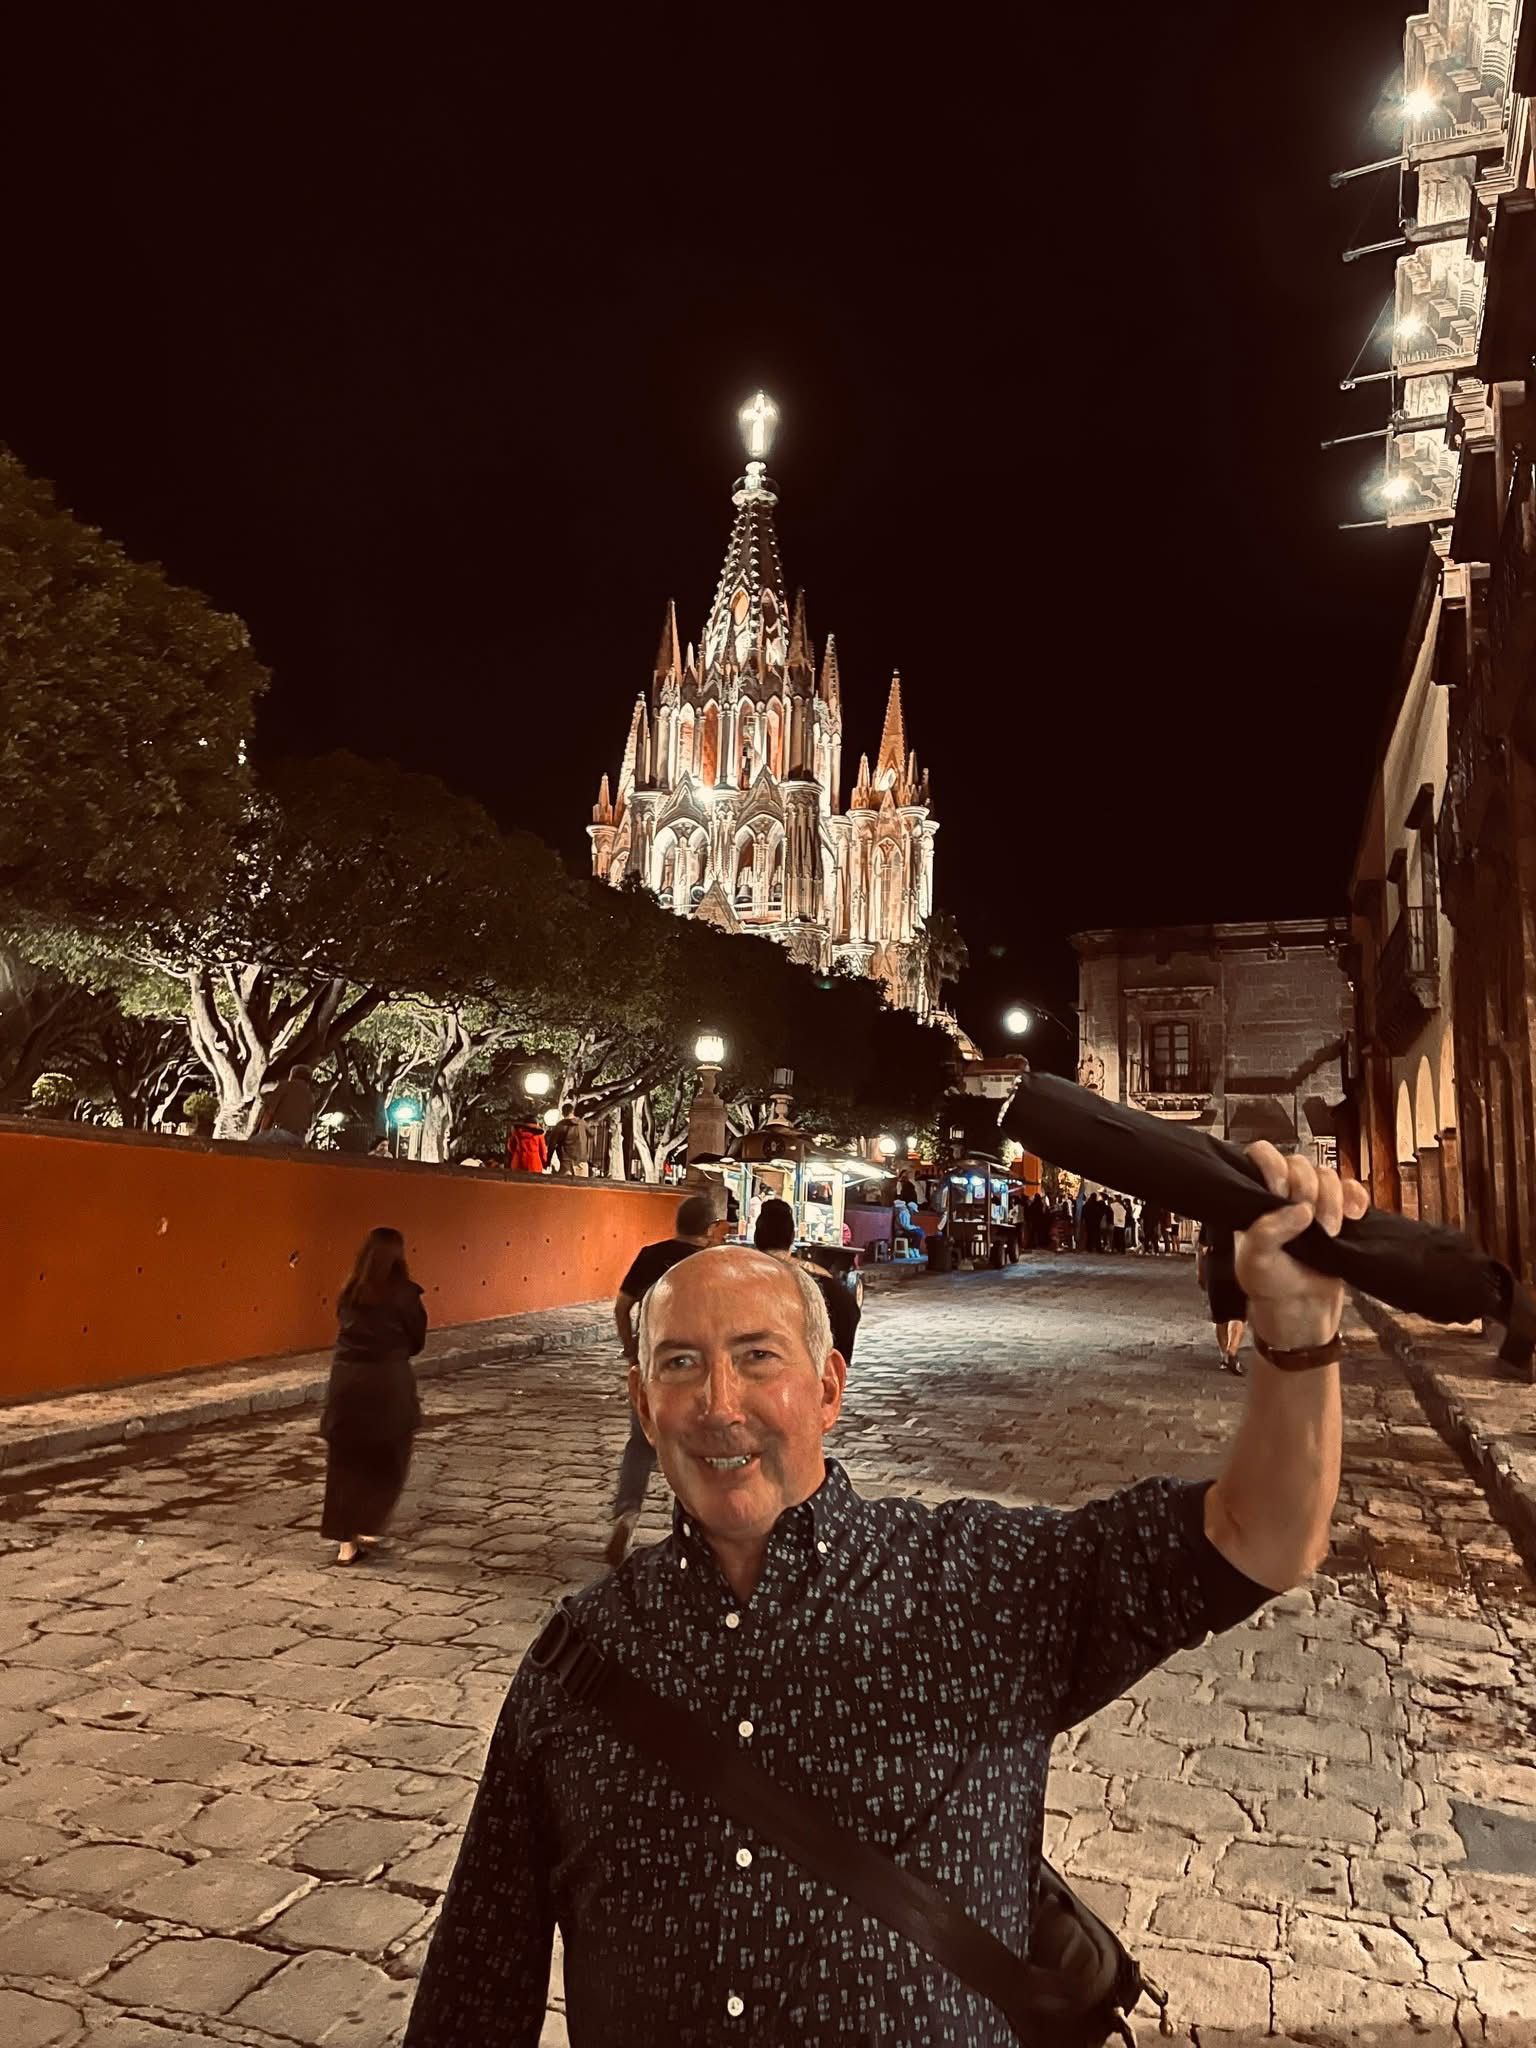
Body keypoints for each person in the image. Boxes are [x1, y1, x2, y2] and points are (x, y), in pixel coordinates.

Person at [403, 1146, 1368, 2046]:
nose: (719, 1404)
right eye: (680, 1363)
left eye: (758, 1356)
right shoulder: (577, 1661)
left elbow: (1259, 1536)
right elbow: (476, 1986)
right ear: (644, 1407)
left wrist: (1297, 1334)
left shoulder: (979, 1584)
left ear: (829, 1389)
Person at [605, 1190, 731, 1566]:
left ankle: (627, 1514)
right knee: (700, 1447)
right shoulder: (712, 1262)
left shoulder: (651, 1255)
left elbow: (621, 1306)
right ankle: (698, 1531)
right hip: (698, 1368)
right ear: (709, 1228)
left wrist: (631, 1348)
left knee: (639, 1444)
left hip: (653, 1365)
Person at [319, 1227, 426, 1568]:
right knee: (390, 1457)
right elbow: (417, 1340)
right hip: (388, 1383)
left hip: (347, 1383)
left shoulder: (350, 1292)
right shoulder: (405, 1294)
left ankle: (345, 1545)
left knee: (345, 1462)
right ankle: (368, 1523)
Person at [753, 1197, 861, 1362]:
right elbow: (849, 1316)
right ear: (792, 1237)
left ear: (756, 1238)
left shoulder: (738, 1279)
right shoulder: (823, 1282)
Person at [1199, 1216, 1249, 1373]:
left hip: (1216, 1269)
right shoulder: (1246, 1216)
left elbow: (1201, 1248)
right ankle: (1232, 1350)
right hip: (1240, 1268)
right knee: (1239, 1314)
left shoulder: (1211, 1218)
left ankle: (1224, 1357)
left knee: (1220, 1316)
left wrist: (1200, 1273)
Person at [250, 1064, 316, 1146]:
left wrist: (261, 1134)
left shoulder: (285, 1086)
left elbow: (269, 1113)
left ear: (292, 1075)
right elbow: (310, 1125)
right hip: (299, 1140)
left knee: (250, 1145)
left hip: (282, 1135)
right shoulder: (311, 1097)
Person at [548, 1104, 593, 1178]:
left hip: (566, 1161)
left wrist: (548, 1160)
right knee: (582, 1184)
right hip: (581, 1160)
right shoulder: (582, 1123)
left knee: (565, 1184)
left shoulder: (560, 1125)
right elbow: (591, 1134)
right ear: (573, 1111)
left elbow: (552, 1145)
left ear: (563, 1113)